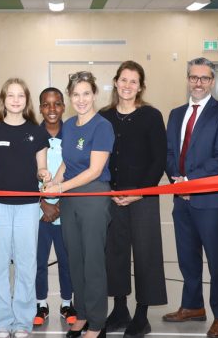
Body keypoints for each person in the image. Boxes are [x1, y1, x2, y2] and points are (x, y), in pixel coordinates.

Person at [163, 57, 218, 338]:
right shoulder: (175, 114)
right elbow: (169, 153)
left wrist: (190, 180)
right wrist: (176, 179)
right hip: (181, 200)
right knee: (187, 257)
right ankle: (193, 306)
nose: (198, 83)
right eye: (194, 77)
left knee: (217, 260)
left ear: (212, 81)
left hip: (210, 200)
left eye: (204, 78)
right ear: (187, 79)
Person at [0, 78, 50, 338]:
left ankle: (22, 322)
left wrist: (44, 174)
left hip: (28, 207)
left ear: (26, 100)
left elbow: (42, 167)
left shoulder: (37, 132)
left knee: (26, 265)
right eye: (11, 95)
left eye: (21, 96)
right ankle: (1, 322)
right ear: (3, 100)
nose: (16, 100)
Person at [42, 71, 114, 338]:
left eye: (86, 93)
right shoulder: (69, 125)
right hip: (70, 199)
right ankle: (82, 313)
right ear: (70, 97)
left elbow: (94, 170)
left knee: (93, 260)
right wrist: (53, 186)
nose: (81, 99)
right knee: (75, 260)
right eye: (76, 94)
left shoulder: (102, 126)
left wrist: (60, 187)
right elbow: (66, 163)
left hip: (93, 197)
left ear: (94, 94)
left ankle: (97, 322)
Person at [99, 61, 167, 338]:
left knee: (145, 254)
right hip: (112, 196)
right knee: (114, 254)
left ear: (140, 87)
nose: (127, 86)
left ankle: (142, 314)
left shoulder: (151, 116)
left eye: (133, 81)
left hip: (143, 196)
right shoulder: (104, 117)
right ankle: (119, 309)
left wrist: (141, 191)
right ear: (115, 82)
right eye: (123, 80)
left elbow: (159, 158)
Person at [34, 88, 77, 327]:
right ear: (40, 107)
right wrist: (43, 204)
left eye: (57, 104)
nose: (52, 109)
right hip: (39, 214)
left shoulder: (72, 134)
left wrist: (59, 203)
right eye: (46, 104)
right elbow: (24, 174)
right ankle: (41, 304)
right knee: (39, 261)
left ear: (63, 107)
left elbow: (78, 170)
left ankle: (66, 302)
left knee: (66, 261)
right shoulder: (32, 135)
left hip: (65, 210)